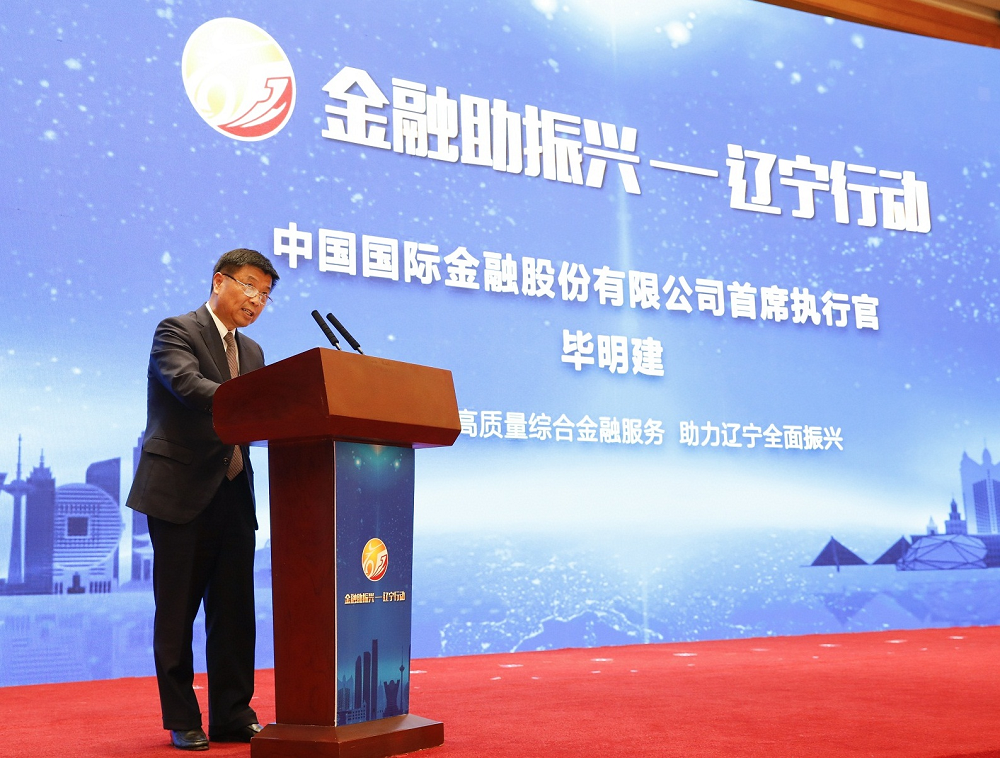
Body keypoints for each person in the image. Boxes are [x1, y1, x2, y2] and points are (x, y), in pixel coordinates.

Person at [126, 248, 279, 751]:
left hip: (234, 490)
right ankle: (181, 718)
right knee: (177, 613)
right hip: (180, 490)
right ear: (219, 281)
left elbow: (258, 417)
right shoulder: (176, 331)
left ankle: (233, 714)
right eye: (250, 286)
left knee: (234, 613)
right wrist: (258, 402)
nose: (256, 300)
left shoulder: (253, 352)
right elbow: (187, 385)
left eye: (265, 294)